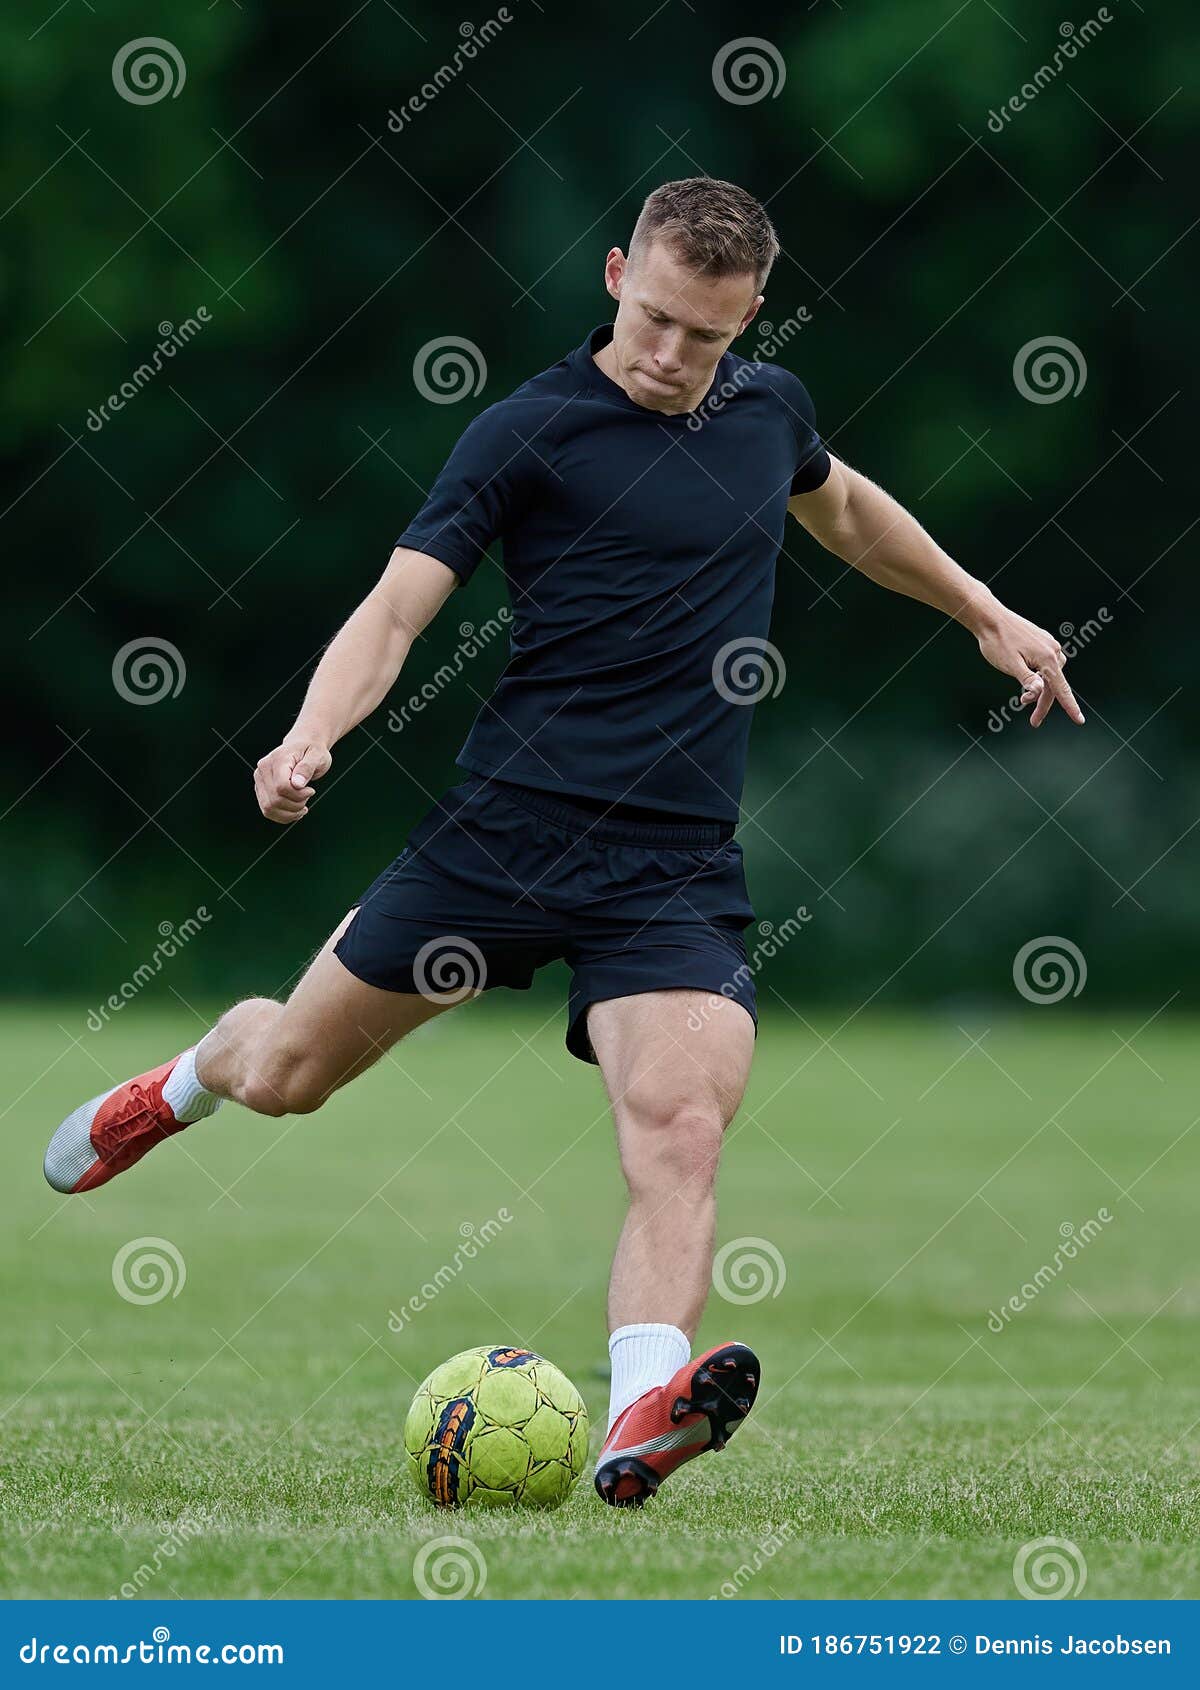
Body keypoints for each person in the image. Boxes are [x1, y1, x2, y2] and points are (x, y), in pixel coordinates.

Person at [43, 177, 1083, 1507]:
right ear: (613, 276)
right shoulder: (525, 434)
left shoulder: (769, 413)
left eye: (704, 336)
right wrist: (312, 735)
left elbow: (848, 510)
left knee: (679, 1125)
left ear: (749, 317)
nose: (670, 355)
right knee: (292, 1070)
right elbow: (396, 613)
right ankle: (186, 1078)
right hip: (501, 840)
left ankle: (644, 1405)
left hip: (672, 868)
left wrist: (983, 608)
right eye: (653, 319)